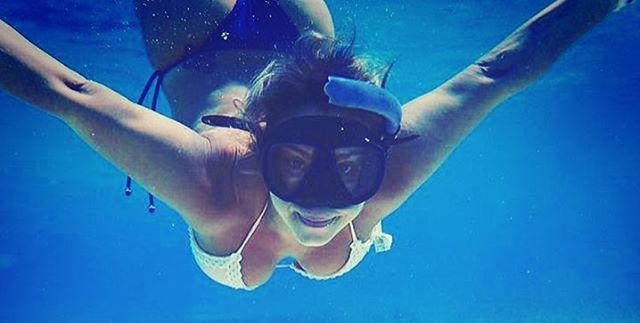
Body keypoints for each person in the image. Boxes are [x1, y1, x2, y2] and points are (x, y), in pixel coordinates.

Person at [0, 0, 635, 290]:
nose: (325, 203)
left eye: (350, 170)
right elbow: (70, 91)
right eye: (297, 165)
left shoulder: (381, 170)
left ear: (372, 159)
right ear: (260, 148)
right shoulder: (216, 182)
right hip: (266, 32)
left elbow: (70, 94)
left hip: (191, 35)